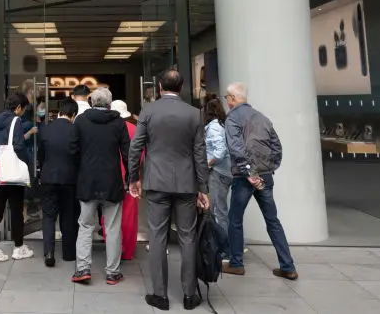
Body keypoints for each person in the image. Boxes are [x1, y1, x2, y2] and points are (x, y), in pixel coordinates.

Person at [127, 69, 209, 312]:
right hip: (186, 184)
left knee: (158, 236)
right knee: (187, 237)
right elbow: (200, 153)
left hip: (156, 182)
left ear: (160, 86)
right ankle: (189, 295)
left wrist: (133, 177)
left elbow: (136, 146)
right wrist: (203, 187)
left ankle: (160, 295)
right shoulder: (194, 114)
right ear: (181, 87)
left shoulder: (149, 111)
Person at [221, 82, 298, 281]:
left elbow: (236, 148)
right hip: (265, 176)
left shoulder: (232, 119)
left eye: (227, 97)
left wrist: (250, 173)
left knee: (235, 219)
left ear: (232, 99)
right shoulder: (262, 118)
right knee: (273, 221)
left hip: (244, 178)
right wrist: (269, 169)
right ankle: (288, 266)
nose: (227, 101)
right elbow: (277, 147)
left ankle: (236, 263)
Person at [70, 86, 130, 286]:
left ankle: (83, 269)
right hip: (112, 181)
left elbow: (73, 150)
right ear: (110, 103)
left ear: (91, 102)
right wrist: (131, 178)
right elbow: (127, 152)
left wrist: (80, 170)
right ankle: (113, 272)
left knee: (85, 226)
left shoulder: (81, 121)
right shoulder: (118, 122)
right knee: (112, 228)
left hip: (87, 181)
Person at [0, 92, 33, 263]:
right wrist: (25, 164)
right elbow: (18, 146)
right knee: (16, 210)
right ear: (18, 107)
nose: (22, 113)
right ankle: (18, 247)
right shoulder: (16, 121)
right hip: (11, 172)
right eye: (23, 109)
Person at [37, 98, 78, 268]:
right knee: (69, 215)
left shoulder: (46, 129)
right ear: (73, 114)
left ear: (60, 111)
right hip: (70, 179)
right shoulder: (76, 130)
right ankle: (68, 253)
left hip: (48, 177)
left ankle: (49, 253)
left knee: (48, 216)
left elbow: (41, 155)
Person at [107, 100, 140, 261]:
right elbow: (140, 156)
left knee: (109, 215)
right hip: (130, 176)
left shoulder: (107, 129)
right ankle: (127, 251)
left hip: (110, 175)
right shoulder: (135, 129)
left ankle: (113, 251)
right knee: (129, 214)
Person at [203, 94, 231, 230]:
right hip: (226, 171)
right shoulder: (223, 124)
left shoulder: (214, 127)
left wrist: (208, 163)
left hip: (218, 173)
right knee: (221, 209)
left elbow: (220, 151)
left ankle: (224, 246)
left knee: (218, 211)